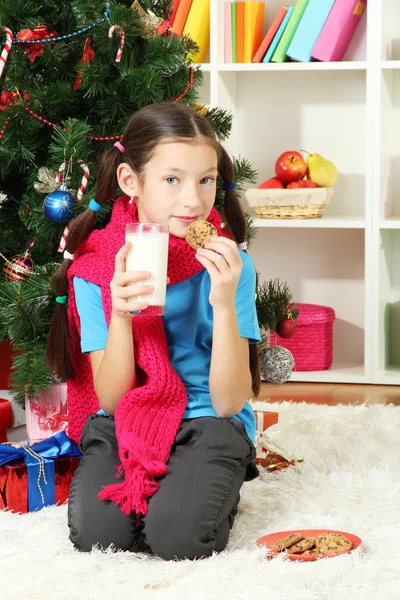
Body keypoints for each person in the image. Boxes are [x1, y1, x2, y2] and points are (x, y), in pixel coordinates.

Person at [47, 102, 261, 561]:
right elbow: (109, 399)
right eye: (172, 179)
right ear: (130, 181)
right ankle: (179, 483)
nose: (193, 200)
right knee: (98, 536)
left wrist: (223, 304)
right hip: (125, 418)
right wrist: (121, 316)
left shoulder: (229, 267)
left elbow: (229, 402)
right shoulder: (96, 271)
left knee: (178, 538)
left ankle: (212, 483)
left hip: (209, 418)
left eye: (205, 180)